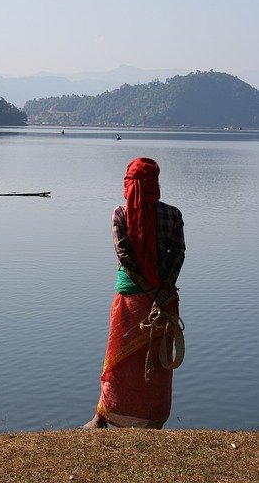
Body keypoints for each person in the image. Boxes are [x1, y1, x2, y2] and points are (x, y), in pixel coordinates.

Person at [82, 157, 185, 429]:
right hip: (163, 301)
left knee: (119, 359)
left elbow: (125, 257)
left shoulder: (120, 214)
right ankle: (153, 420)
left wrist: (149, 289)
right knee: (156, 360)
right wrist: (161, 290)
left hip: (131, 300)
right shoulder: (173, 214)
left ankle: (103, 416)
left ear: (129, 184)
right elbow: (178, 256)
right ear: (156, 183)